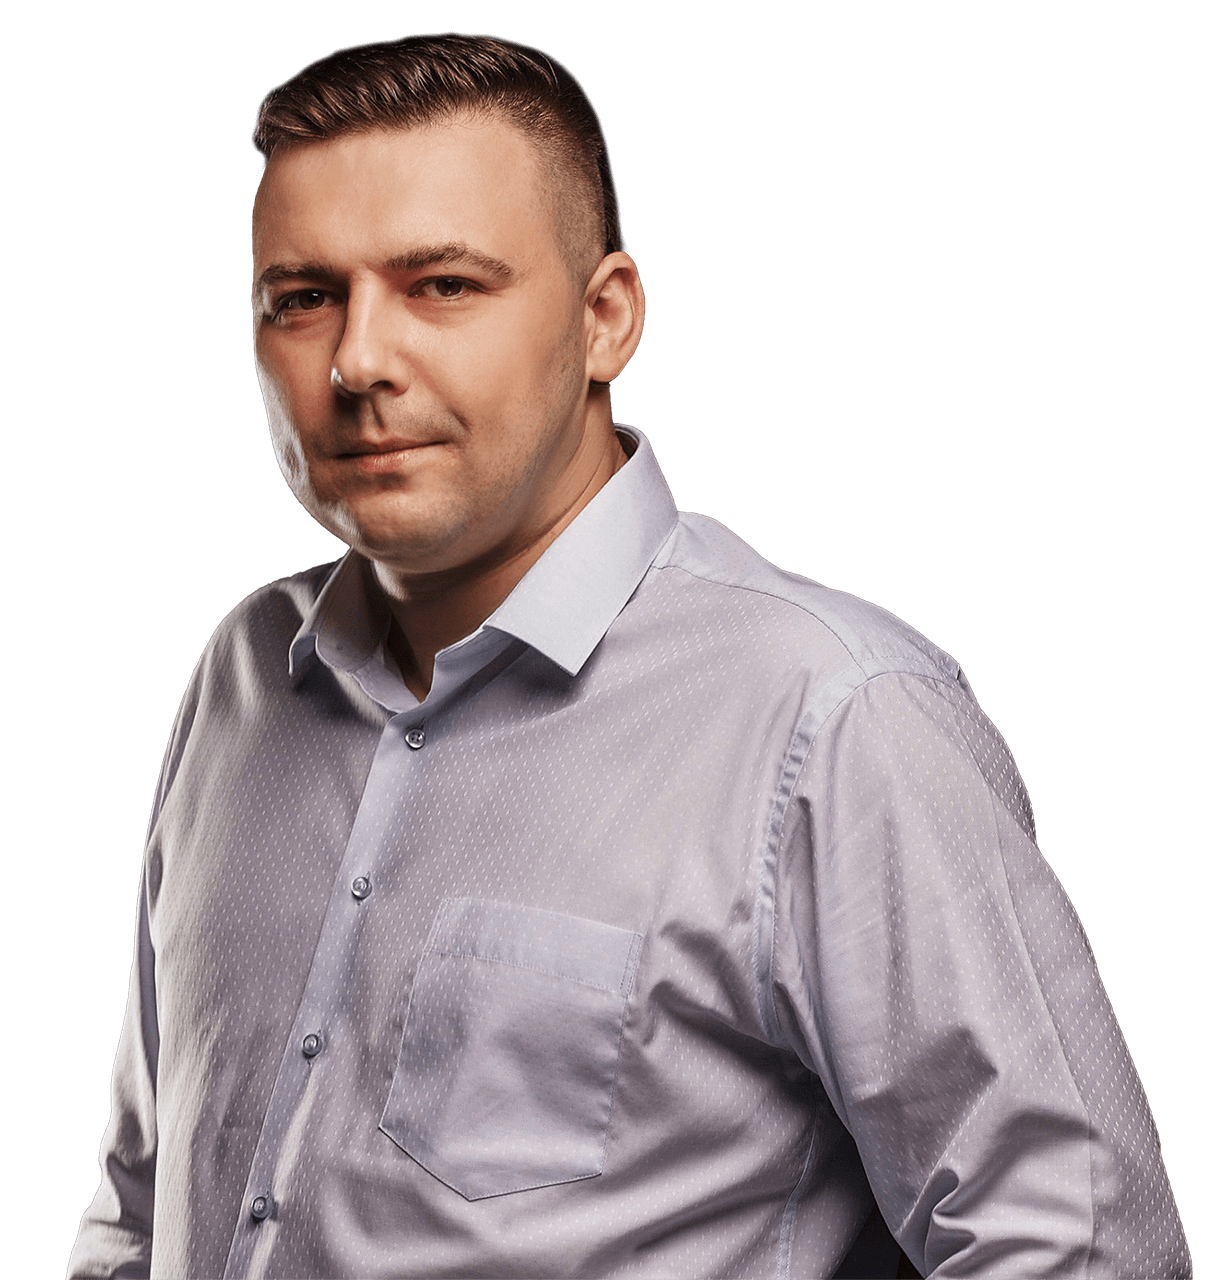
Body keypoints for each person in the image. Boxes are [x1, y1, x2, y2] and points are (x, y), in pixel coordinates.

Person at [68, 33, 1190, 1280]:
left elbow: (1081, 1246)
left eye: (443, 284)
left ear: (605, 318)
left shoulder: (829, 716)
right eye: (301, 297)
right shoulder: (241, 679)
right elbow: (142, 1199)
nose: (358, 360)